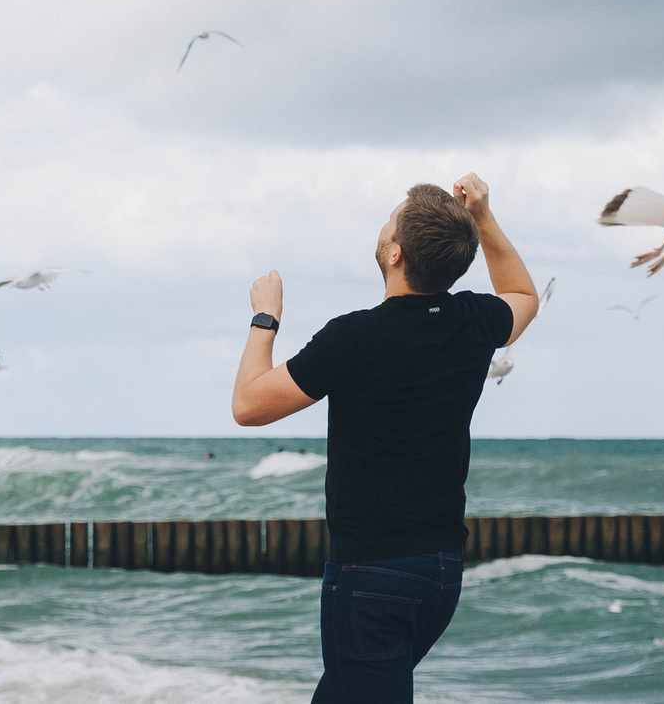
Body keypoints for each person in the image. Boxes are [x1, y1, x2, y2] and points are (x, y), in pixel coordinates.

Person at [231, 173, 539, 703]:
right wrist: (484, 218)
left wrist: (265, 317)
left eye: (389, 219)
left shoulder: (354, 338)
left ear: (395, 253)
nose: (382, 225)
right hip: (440, 573)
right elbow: (521, 294)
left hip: (372, 575)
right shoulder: (472, 321)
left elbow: (248, 406)